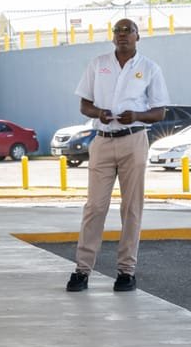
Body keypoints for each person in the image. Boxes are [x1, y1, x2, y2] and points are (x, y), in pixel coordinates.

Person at [66, 18, 168, 293]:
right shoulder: (98, 65)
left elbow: (159, 112)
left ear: (138, 36)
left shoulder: (149, 69)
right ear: (112, 37)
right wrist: (98, 112)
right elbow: (84, 104)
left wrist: (138, 116)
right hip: (102, 140)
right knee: (95, 207)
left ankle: (126, 272)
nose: (122, 34)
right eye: (118, 31)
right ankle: (82, 270)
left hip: (134, 140)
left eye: (128, 30)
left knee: (131, 208)